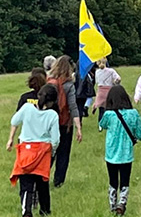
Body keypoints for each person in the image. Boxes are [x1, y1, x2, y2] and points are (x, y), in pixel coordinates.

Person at [7, 84, 61, 217]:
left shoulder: (26, 108)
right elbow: (56, 139)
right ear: (52, 101)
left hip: (26, 150)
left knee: (26, 183)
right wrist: (52, 152)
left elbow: (14, 121)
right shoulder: (52, 115)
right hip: (43, 153)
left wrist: (11, 139)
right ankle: (45, 210)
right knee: (42, 183)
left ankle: (27, 210)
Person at [99, 85, 141, 216]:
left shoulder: (109, 115)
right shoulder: (133, 114)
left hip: (111, 153)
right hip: (126, 154)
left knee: (113, 180)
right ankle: (122, 202)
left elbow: (102, 124)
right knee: (125, 179)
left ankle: (112, 203)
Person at [46, 55, 83, 188]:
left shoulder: (49, 81)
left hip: (49, 123)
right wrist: (78, 127)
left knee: (49, 151)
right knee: (63, 153)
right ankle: (58, 182)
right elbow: (73, 106)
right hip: (64, 123)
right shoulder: (68, 84)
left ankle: (43, 175)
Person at [93, 57, 122, 131]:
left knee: (101, 109)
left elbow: (97, 82)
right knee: (109, 108)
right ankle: (109, 123)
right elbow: (118, 78)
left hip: (101, 91)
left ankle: (100, 125)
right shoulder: (111, 71)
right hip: (109, 90)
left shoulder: (97, 72)